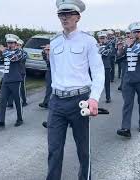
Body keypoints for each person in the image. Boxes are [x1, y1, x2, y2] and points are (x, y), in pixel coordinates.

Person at [47, 0, 105, 179]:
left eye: (69, 14)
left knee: (83, 149)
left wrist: (94, 98)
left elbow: (98, 71)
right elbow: (54, 72)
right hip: (57, 102)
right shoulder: (54, 42)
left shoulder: (88, 41)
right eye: (61, 14)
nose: (64, 17)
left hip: (79, 101)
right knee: (54, 150)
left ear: (78, 17)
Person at [116, 22, 140, 138]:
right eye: (134, 31)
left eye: (138, 31)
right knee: (127, 103)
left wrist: (132, 46)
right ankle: (126, 128)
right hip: (128, 79)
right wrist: (120, 49)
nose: (136, 33)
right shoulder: (128, 43)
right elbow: (119, 59)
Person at [0, 34, 26, 128]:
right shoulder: (6, 52)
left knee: (17, 101)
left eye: (11, 43)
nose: (9, 44)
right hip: (6, 79)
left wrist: (4, 51)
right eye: (8, 43)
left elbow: (13, 58)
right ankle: (1, 121)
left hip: (15, 79)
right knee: (2, 101)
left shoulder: (19, 52)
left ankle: (20, 119)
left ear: (15, 43)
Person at [7, 39, 28, 107]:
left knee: (22, 88)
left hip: (21, 72)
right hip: (13, 72)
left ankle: (24, 101)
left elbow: (21, 59)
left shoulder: (24, 52)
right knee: (10, 87)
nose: (16, 46)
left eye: (18, 45)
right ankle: (10, 103)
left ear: (21, 46)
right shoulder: (12, 52)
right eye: (16, 45)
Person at [97, 30, 113, 103]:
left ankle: (108, 97)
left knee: (107, 83)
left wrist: (99, 49)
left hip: (106, 66)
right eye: (101, 38)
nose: (102, 39)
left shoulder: (109, 45)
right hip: (97, 67)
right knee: (96, 84)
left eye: (103, 38)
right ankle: (95, 98)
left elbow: (107, 53)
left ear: (106, 38)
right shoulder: (95, 45)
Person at [39, 44, 51, 128]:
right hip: (51, 73)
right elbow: (47, 60)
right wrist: (45, 51)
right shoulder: (48, 55)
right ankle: (51, 121)